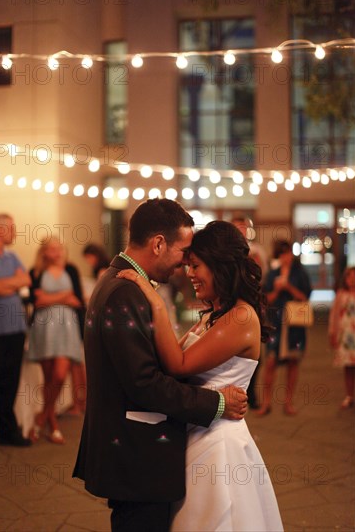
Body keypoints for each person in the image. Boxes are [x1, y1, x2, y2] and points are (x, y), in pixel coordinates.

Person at [73, 198, 248, 532]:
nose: (184, 266)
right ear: (158, 244)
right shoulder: (124, 292)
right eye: (183, 253)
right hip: (136, 453)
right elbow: (145, 383)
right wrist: (218, 402)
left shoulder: (120, 284)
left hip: (133, 449)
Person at [118, 220, 283, 532]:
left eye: (196, 266)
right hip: (198, 429)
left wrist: (155, 302)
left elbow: (179, 364)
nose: (189, 274)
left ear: (220, 265)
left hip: (219, 441)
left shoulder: (241, 316)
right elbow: (166, 364)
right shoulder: (214, 315)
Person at [27, 237, 86, 444]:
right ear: (44, 252)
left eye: (59, 248)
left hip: (67, 328)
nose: (57, 252)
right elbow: (36, 301)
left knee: (61, 374)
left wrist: (50, 298)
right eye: (52, 249)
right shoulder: (35, 272)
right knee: (48, 375)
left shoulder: (71, 270)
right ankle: (52, 423)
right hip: (43, 328)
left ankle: (42, 416)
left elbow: (77, 300)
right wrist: (63, 296)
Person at [0, 213, 32, 450]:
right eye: (12, 227)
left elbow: (25, 280)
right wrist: (8, 284)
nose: (15, 231)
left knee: (10, 381)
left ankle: (8, 430)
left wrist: (0, 285)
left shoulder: (12, 256)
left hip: (15, 329)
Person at [257, 240, 312, 416]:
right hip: (276, 324)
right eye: (281, 254)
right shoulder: (272, 274)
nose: (285, 257)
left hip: (295, 325)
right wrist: (277, 290)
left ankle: (289, 403)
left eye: (287, 253)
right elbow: (266, 300)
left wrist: (288, 286)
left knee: (293, 362)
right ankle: (266, 402)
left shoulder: (300, 273)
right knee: (271, 362)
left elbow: (305, 296)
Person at [232, 214, 269, 409]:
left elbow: (262, 273)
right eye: (237, 227)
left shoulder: (256, 250)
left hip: (252, 301)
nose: (242, 231)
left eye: (243, 227)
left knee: (255, 353)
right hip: (233, 303)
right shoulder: (228, 252)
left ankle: (251, 393)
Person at [328, 266, 355, 408]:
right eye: (349, 277)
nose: (352, 280)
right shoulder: (341, 294)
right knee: (348, 367)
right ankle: (349, 395)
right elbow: (334, 315)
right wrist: (332, 332)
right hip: (346, 336)